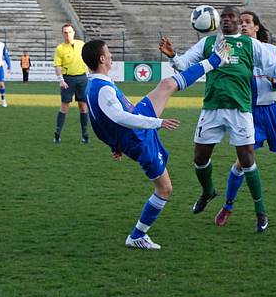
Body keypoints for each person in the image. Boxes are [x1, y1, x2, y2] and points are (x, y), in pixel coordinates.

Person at [159, 6, 276, 233]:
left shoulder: (251, 45)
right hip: (212, 108)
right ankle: (208, 191)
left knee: (247, 160)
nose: (228, 20)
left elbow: (271, 68)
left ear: (237, 23)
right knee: (199, 159)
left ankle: (260, 211)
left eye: (231, 17)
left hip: (241, 110)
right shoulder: (208, 44)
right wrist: (173, 55)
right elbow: (184, 65)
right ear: (217, 21)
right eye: (224, 16)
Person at [83, 38, 229, 250]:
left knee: (167, 84)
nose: (112, 55)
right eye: (109, 52)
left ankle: (215, 60)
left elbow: (99, 122)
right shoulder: (102, 89)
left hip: (136, 126)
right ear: (102, 58)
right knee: (165, 189)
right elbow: (119, 118)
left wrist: (114, 144)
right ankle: (137, 235)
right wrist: (157, 123)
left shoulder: (96, 84)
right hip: (138, 140)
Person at [214, 11, 276, 228]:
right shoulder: (229, 51)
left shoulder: (273, 51)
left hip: (273, 111)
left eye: (247, 22)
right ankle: (227, 207)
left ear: (256, 27)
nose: (243, 25)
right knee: (242, 162)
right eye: (241, 22)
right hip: (248, 113)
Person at [53, 24, 90, 144]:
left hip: (82, 78)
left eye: (69, 32)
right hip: (67, 79)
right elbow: (57, 65)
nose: (67, 34)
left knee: (83, 106)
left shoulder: (81, 44)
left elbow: (87, 60)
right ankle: (57, 134)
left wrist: (89, 75)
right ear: (62, 34)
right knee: (64, 107)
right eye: (65, 32)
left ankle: (85, 135)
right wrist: (61, 80)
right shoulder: (60, 48)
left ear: (73, 32)